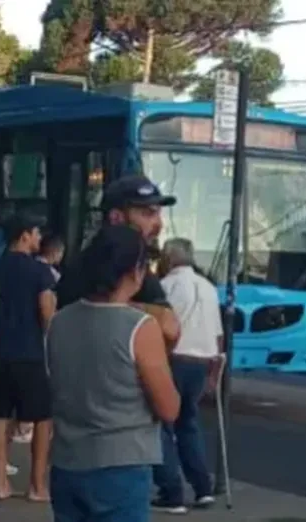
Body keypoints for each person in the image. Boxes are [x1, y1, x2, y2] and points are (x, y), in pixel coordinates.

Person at [48, 225, 180, 522]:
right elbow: (169, 408)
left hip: (67, 463)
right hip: (122, 466)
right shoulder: (140, 327)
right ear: (137, 271)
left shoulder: (60, 321)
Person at [56, 175, 180, 350]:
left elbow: (169, 326)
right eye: (148, 214)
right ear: (116, 217)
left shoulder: (141, 272)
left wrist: (115, 306)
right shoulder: (83, 268)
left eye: (158, 214)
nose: (158, 224)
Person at [0, 215, 56, 502]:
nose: (39, 239)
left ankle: (1, 482)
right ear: (25, 235)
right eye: (37, 233)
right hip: (31, 354)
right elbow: (47, 312)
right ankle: (37, 485)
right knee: (42, 417)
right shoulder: (41, 272)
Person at [151, 238, 221, 513]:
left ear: (168, 259)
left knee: (161, 425)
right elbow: (218, 334)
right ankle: (203, 488)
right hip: (202, 361)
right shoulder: (209, 288)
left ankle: (172, 492)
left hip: (175, 359)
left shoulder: (167, 286)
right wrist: (214, 373)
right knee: (188, 423)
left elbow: (162, 327)